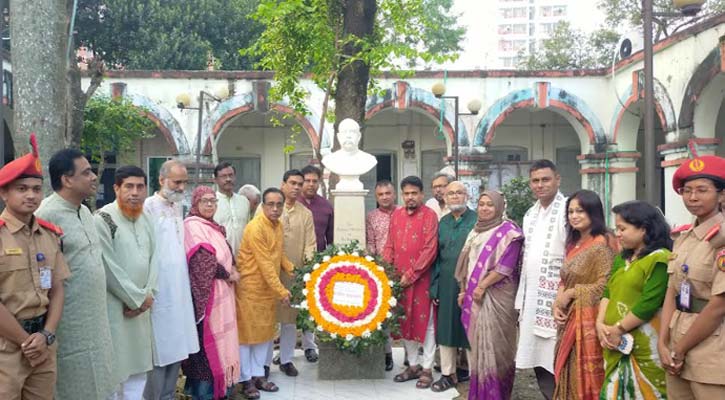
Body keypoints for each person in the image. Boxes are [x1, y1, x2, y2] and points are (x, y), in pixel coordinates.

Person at [36, 148, 116, 400]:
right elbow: (42, 276)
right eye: (86, 172)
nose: (93, 177)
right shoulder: (46, 215)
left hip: (97, 322)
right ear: (66, 179)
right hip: (68, 325)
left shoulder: (84, 211)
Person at [0, 134, 70, 400]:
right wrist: (26, 342)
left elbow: (58, 289)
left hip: (43, 344)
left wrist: (47, 335)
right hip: (6, 349)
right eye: (21, 188)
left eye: (36, 189)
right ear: (4, 193)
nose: (31, 195)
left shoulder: (49, 235)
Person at [658, 155, 725, 398]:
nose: (693, 197)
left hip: (712, 350)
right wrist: (663, 342)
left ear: (721, 195)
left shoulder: (722, 241)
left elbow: (718, 306)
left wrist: (680, 349)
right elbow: (671, 292)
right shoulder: (683, 237)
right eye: (687, 191)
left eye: (702, 190)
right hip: (676, 343)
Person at [597, 201, 671, 399]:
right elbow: (608, 292)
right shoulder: (623, 258)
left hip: (644, 343)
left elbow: (649, 302)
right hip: (613, 340)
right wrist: (600, 324)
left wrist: (618, 329)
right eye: (616, 228)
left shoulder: (660, 259)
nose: (617, 234)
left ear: (644, 229)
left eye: (622, 228)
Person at [94, 166, 157, 399]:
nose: (135, 192)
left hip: (141, 310)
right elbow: (108, 266)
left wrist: (148, 296)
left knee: (138, 370)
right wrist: (136, 299)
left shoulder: (146, 219)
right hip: (117, 308)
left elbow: (155, 260)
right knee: (115, 371)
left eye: (140, 186)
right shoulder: (103, 219)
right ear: (116, 188)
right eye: (128, 186)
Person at [455, 191, 523, 399]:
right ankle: (479, 393)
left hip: (498, 296)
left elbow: (506, 266)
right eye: (481, 204)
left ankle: (496, 394)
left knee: (497, 348)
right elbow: (467, 264)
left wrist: (482, 286)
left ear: (499, 207)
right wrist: (463, 290)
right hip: (474, 294)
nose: (484, 208)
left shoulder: (509, 232)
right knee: (478, 350)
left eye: (490, 205)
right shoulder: (475, 230)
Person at [143, 160, 199, 400]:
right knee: (159, 348)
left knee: (177, 344)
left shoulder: (178, 207)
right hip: (158, 290)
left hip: (179, 290)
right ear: (161, 180)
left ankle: (168, 395)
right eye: (177, 182)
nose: (181, 187)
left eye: (184, 182)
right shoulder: (148, 207)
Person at [552, 189, 614, 400]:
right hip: (568, 317)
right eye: (570, 212)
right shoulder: (573, 243)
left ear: (593, 212)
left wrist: (571, 292)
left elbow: (605, 285)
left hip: (588, 322)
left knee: (583, 376)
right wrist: (558, 302)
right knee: (565, 371)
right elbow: (565, 277)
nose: (574, 216)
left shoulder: (602, 244)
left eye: (580, 211)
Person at [514, 159, 567, 400]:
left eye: (545, 179)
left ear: (558, 179)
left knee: (559, 354)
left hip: (559, 296)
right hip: (533, 297)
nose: (540, 185)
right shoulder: (529, 214)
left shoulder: (568, 210)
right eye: (535, 180)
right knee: (537, 354)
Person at [182, 186, 240, 400]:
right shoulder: (192, 226)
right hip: (206, 302)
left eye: (213, 201)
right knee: (207, 351)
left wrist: (232, 267)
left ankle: (219, 393)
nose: (209, 205)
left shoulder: (213, 226)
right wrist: (228, 274)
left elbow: (226, 253)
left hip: (221, 297)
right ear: (195, 203)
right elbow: (203, 260)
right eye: (205, 201)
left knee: (218, 348)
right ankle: (206, 395)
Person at [236, 188, 293, 399]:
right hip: (250, 290)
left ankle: (259, 375)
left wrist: (294, 270)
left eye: (279, 204)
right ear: (263, 206)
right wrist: (281, 290)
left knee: (264, 336)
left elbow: (279, 255)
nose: (275, 209)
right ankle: (246, 380)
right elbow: (265, 263)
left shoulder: (277, 226)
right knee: (247, 337)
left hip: (267, 291)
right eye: (271, 204)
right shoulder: (255, 228)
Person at [384, 176, 439, 389]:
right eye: (406, 193)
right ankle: (413, 365)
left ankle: (427, 368)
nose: (410, 197)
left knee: (427, 324)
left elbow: (430, 248)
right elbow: (390, 245)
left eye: (414, 193)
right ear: (402, 195)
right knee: (404, 321)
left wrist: (412, 274)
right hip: (399, 279)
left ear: (422, 194)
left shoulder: (429, 216)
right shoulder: (396, 215)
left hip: (422, 279)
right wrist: (386, 271)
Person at [429, 181, 477, 392]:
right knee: (447, 327)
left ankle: (476, 375)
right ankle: (448, 374)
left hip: (472, 282)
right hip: (448, 283)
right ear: (445, 198)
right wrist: (435, 286)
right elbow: (437, 258)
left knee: (470, 327)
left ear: (466, 196)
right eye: (450, 194)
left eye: (459, 193)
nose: (455, 197)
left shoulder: (477, 220)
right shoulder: (443, 222)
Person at [269, 169, 318, 370]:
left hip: (293, 274)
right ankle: (262, 365)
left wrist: (305, 270)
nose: (297, 187)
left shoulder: (305, 214)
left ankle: (286, 359)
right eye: (293, 183)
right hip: (269, 273)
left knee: (289, 318)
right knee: (268, 317)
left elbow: (310, 244)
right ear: (283, 184)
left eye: (299, 184)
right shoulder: (268, 209)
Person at [365, 179, 399, 371]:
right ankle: (386, 353)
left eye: (388, 193)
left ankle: (413, 358)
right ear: (376, 197)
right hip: (382, 271)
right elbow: (370, 243)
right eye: (381, 194)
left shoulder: (404, 213)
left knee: (407, 314)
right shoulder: (371, 216)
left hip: (405, 270)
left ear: (394, 194)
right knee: (382, 315)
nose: (385, 197)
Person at [320, 118, 377, 190]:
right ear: (338, 136)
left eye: (352, 132)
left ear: (359, 136)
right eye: (344, 132)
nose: (348, 136)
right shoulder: (329, 160)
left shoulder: (369, 160)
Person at [213, 162, 250, 256]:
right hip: (220, 258)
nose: (228, 179)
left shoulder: (244, 201)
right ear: (215, 180)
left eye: (231, 175)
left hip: (243, 258)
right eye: (223, 176)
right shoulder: (211, 202)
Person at [300, 165, 333, 252]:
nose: (311, 184)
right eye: (307, 181)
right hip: (295, 257)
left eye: (315, 181)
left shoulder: (326, 206)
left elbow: (331, 239)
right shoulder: (292, 204)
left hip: (319, 258)